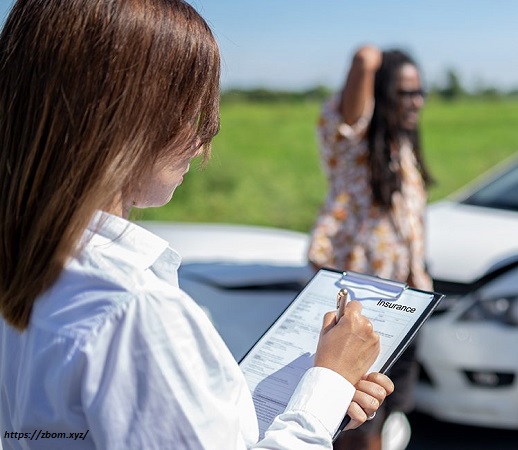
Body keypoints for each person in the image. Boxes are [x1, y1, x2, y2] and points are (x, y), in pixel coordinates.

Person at [0, 1, 393, 449]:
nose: (206, 135)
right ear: (123, 118)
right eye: (190, 107)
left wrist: (319, 395)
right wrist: (330, 379)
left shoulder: (31, 264)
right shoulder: (133, 312)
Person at [307, 45, 434, 450]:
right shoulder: (353, 146)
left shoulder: (402, 147)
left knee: (386, 412)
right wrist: (376, 62)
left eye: (419, 92)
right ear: (380, 95)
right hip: (362, 304)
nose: (416, 102)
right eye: (404, 92)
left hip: (404, 301)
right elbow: (364, 58)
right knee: (352, 422)